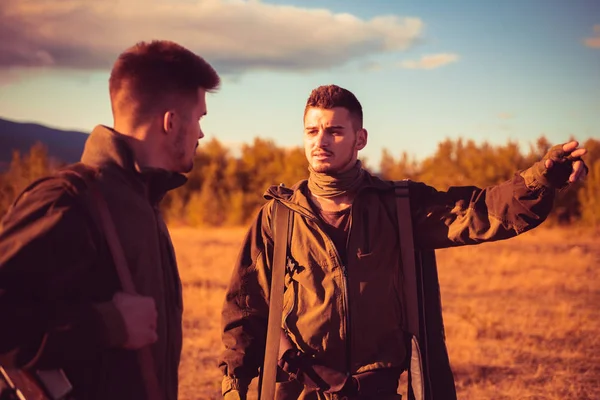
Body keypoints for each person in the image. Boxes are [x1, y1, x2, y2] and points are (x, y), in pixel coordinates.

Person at [218, 84, 588, 400]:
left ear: (360, 139)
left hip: (375, 386)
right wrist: (234, 382)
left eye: (335, 131)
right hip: (299, 387)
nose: (321, 141)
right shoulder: (279, 216)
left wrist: (540, 179)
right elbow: (245, 308)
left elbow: (479, 213)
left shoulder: (397, 205)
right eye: (312, 131)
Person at [0, 40, 220, 399]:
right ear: (171, 121)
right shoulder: (69, 201)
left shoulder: (143, 202)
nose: (201, 133)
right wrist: (107, 324)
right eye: (199, 118)